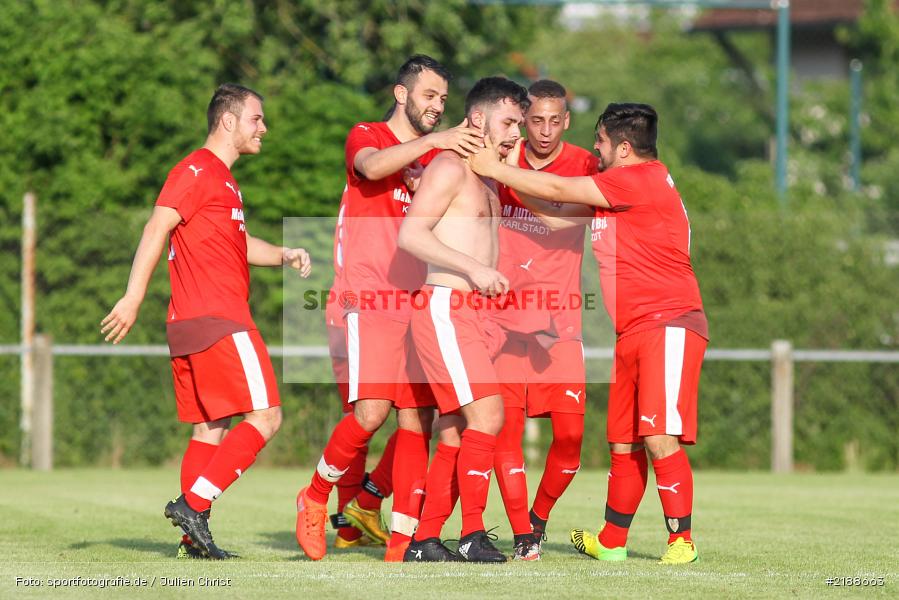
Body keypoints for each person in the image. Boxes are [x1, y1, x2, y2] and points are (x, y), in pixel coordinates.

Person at [469, 102, 707, 565]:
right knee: (623, 441)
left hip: (669, 322)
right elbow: (558, 214)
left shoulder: (637, 177)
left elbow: (558, 185)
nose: (595, 149)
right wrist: (509, 174)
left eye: (600, 142)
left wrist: (493, 166)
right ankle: (613, 540)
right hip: (634, 330)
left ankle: (682, 541)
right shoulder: (621, 190)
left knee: (660, 438)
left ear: (623, 147)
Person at [100, 83, 312, 560]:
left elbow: (237, 244)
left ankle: (191, 539)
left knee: (209, 428)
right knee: (267, 416)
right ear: (229, 121)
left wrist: (283, 254)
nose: (265, 128)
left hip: (191, 323)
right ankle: (193, 507)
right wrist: (133, 297)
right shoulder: (197, 169)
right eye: (257, 119)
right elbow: (157, 226)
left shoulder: (224, 180)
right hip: (219, 318)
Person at [295, 55, 485, 562]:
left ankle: (402, 545)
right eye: (429, 95)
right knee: (370, 413)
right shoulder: (369, 133)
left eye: (443, 99)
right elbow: (373, 166)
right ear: (401, 94)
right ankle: (314, 497)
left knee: (416, 423)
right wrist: (436, 143)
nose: (437, 107)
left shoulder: (431, 161)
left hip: (414, 305)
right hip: (366, 297)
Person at [397, 76, 529, 563]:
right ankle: (472, 533)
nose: (517, 131)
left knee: (455, 431)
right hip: (445, 308)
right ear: (477, 119)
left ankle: (425, 540)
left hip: (476, 316)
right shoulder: (449, 167)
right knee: (488, 418)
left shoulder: (488, 177)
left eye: (518, 121)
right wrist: (474, 268)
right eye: (509, 121)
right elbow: (411, 235)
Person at [490, 80, 598, 561]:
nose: (546, 130)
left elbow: (567, 220)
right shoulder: (494, 155)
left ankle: (539, 516)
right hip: (502, 316)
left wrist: (510, 176)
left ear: (567, 120)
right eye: (536, 120)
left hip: (561, 318)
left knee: (571, 436)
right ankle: (522, 534)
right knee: (503, 432)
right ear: (523, 118)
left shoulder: (584, 166)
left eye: (555, 120)